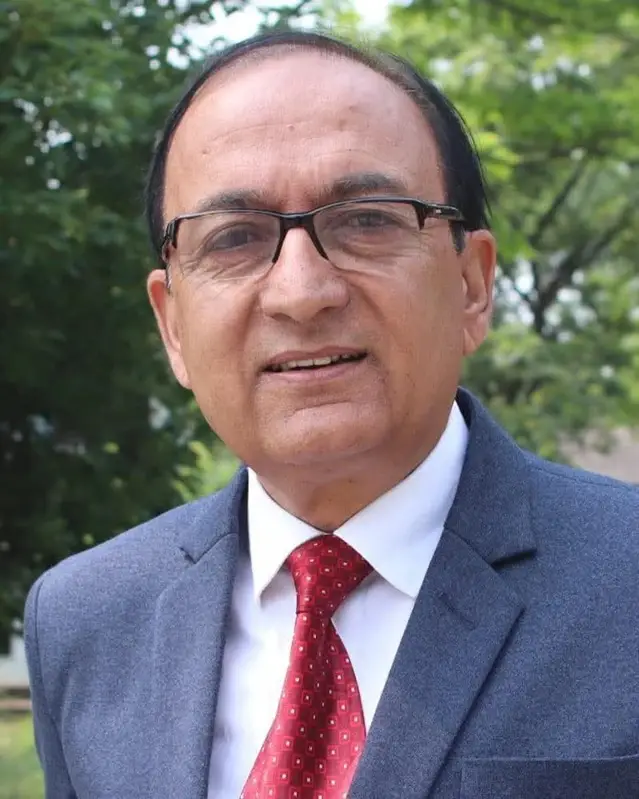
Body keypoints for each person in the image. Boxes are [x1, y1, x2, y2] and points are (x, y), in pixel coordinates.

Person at [24, 30, 638, 799]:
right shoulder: (84, 619)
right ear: (172, 325)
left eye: (366, 220)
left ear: (471, 286)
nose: (301, 292)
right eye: (235, 238)